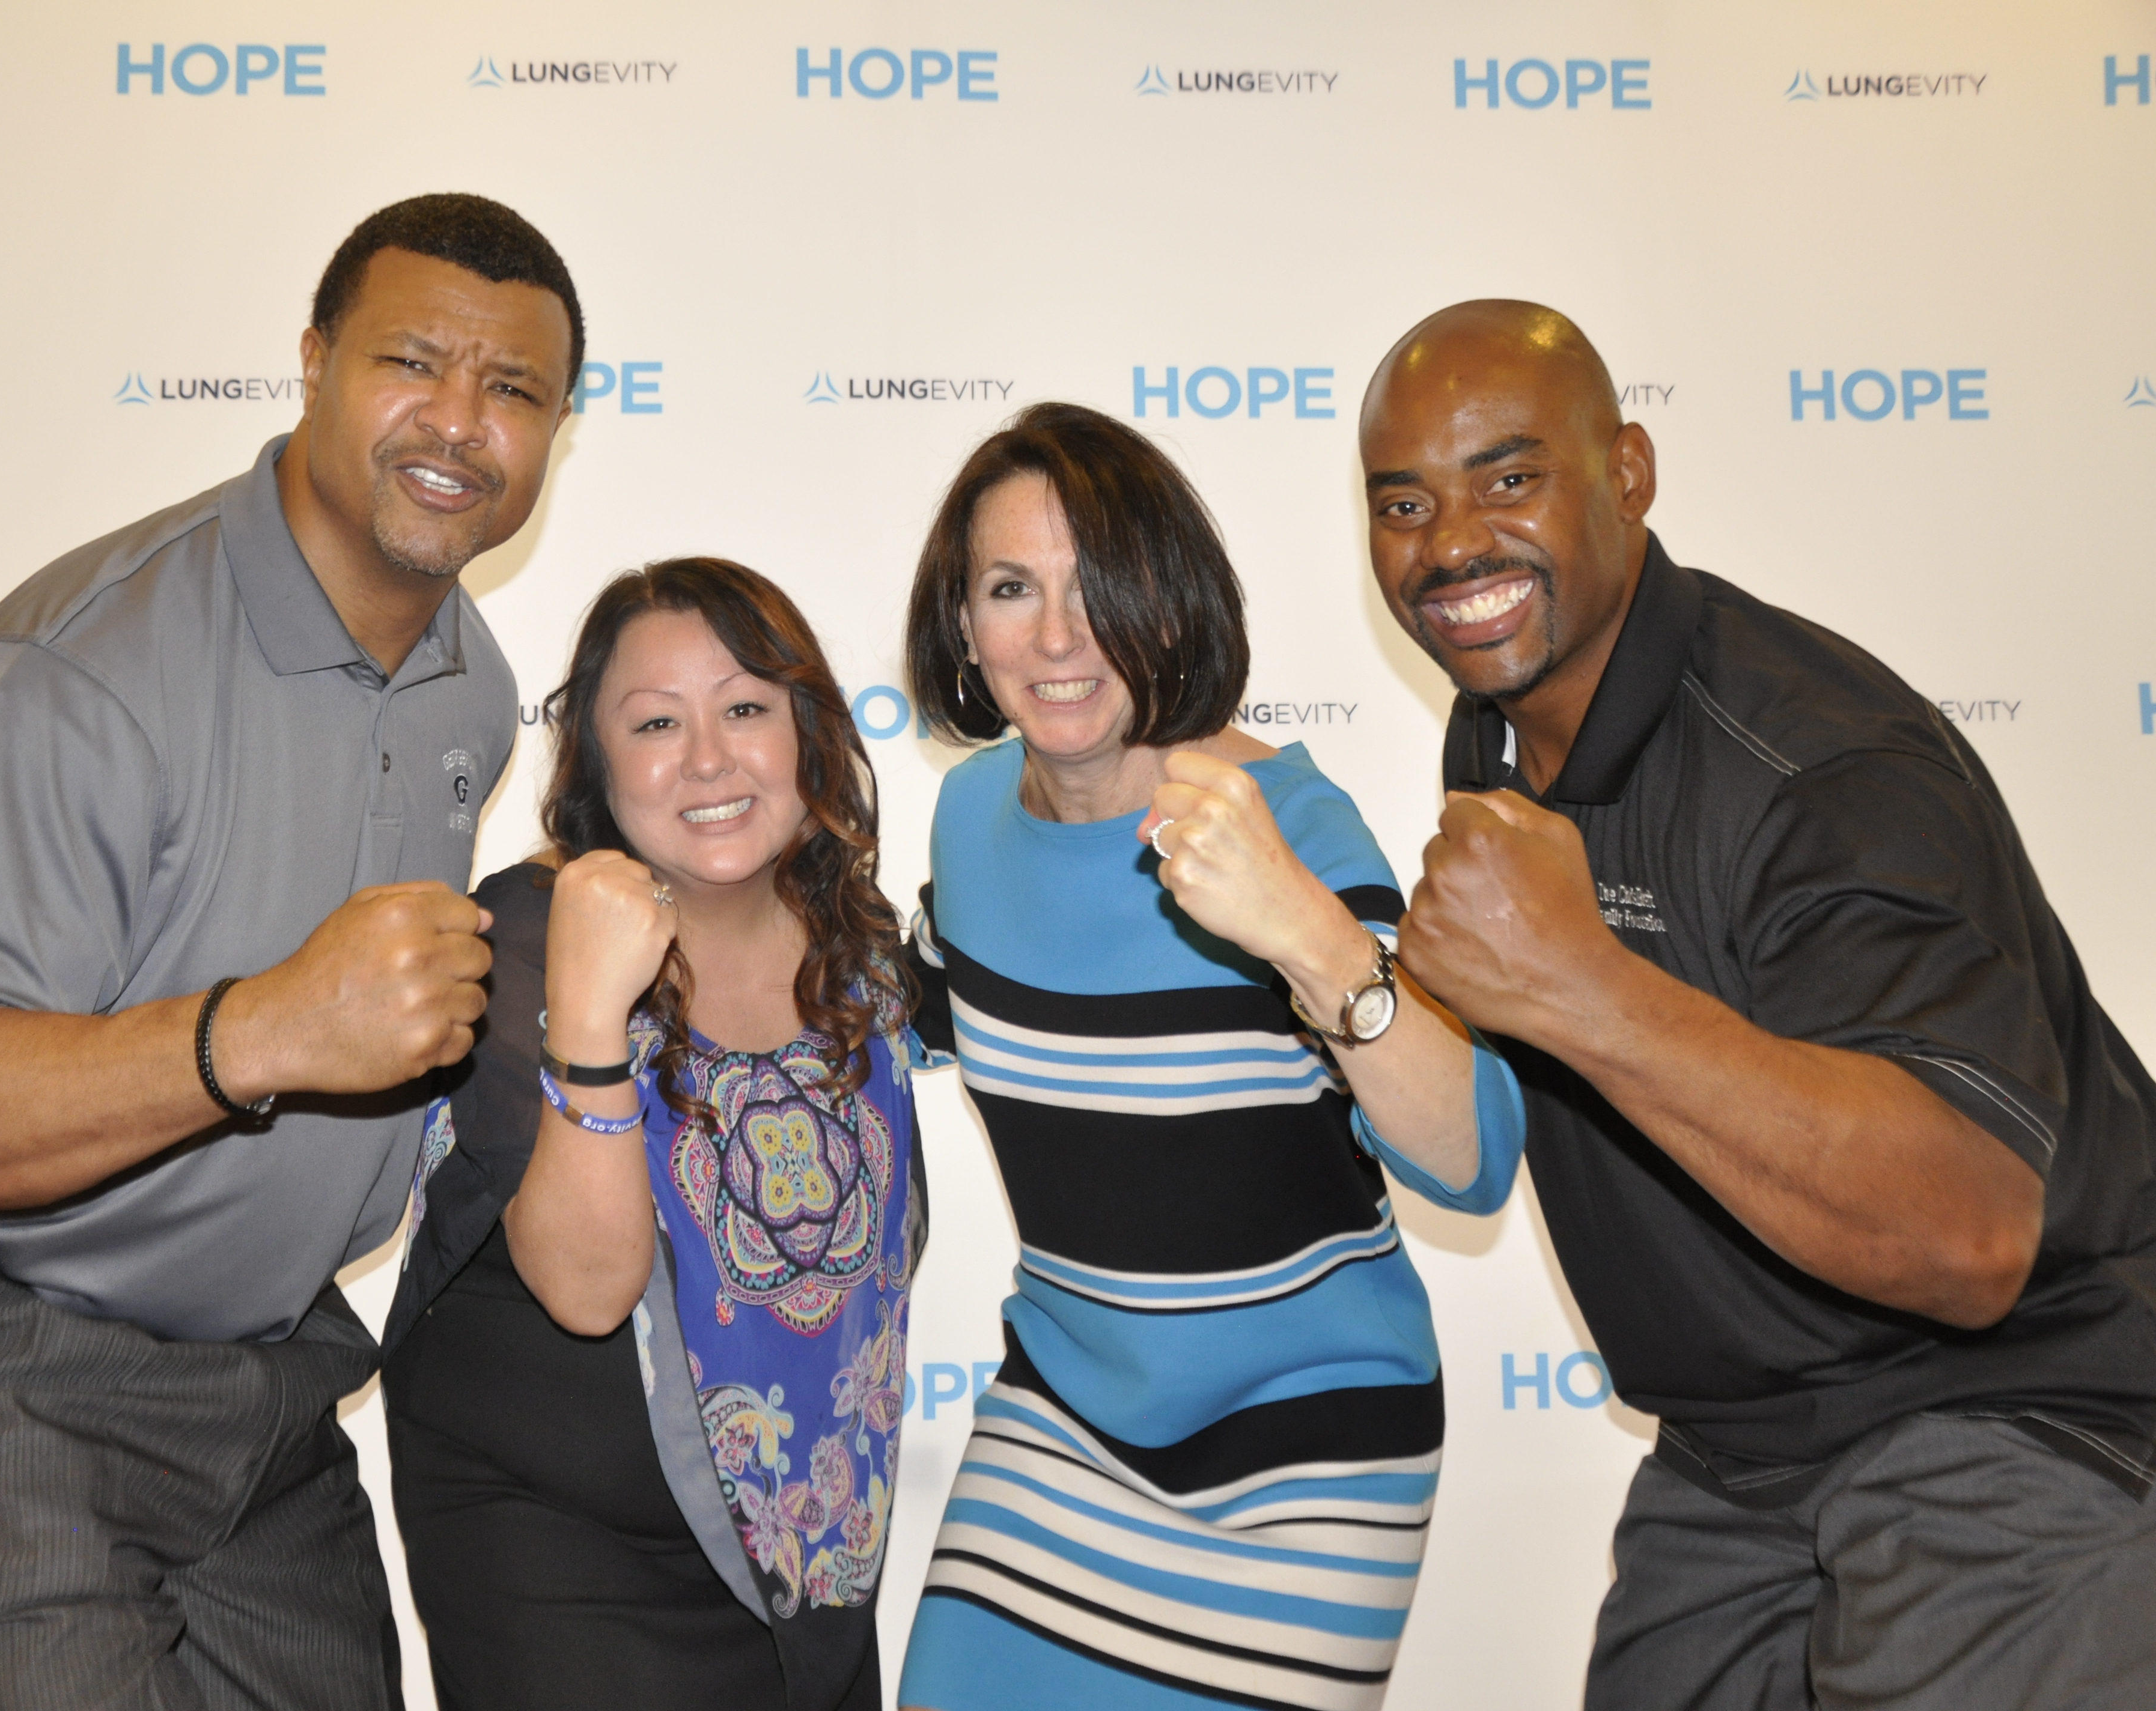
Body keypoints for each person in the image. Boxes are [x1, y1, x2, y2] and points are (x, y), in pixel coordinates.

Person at [0, 193, 582, 1710]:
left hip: (246, 1372)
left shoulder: (473, 682)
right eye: (410, 361)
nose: (457, 421)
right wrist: (259, 1029)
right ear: (313, 360)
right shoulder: (81, 665)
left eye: (512, 388)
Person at [1365, 299, 2156, 1708]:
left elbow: (1967, 1231)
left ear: (1625, 474)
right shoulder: (1498, 724)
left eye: (1506, 478)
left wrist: (1581, 986)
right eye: (1404, 503)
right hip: (1742, 1446)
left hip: (2014, 1404)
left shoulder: (1815, 761)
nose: (1451, 545)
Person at [889, 401, 1527, 1710]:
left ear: (1171, 608)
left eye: (1100, 588)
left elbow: (1470, 1159)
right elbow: (919, 1013)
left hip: (1307, 1463)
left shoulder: (1284, 818)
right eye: (1012, 588)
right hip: (1060, 1425)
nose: (1059, 637)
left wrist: (1302, 928)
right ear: (964, 624)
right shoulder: (965, 816)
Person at [380, 559, 924, 1711]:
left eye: (745, 709)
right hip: (561, 1560)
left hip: (804, 1554)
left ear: (807, 733)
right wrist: (589, 1010)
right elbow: (586, 1287)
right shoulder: (519, 938)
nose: (710, 759)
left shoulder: (856, 941)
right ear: (598, 762)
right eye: (657, 724)